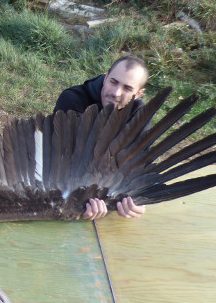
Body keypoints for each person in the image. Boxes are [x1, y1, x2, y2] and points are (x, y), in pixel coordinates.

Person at [54, 55, 149, 221]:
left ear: (139, 93)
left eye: (127, 88)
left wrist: (137, 196)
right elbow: (68, 155)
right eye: (113, 82)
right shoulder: (72, 100)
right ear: (105, 78)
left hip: (102, 182)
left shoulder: (139, 114)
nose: (116, 93)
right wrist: (86, 199)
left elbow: (137, 161)